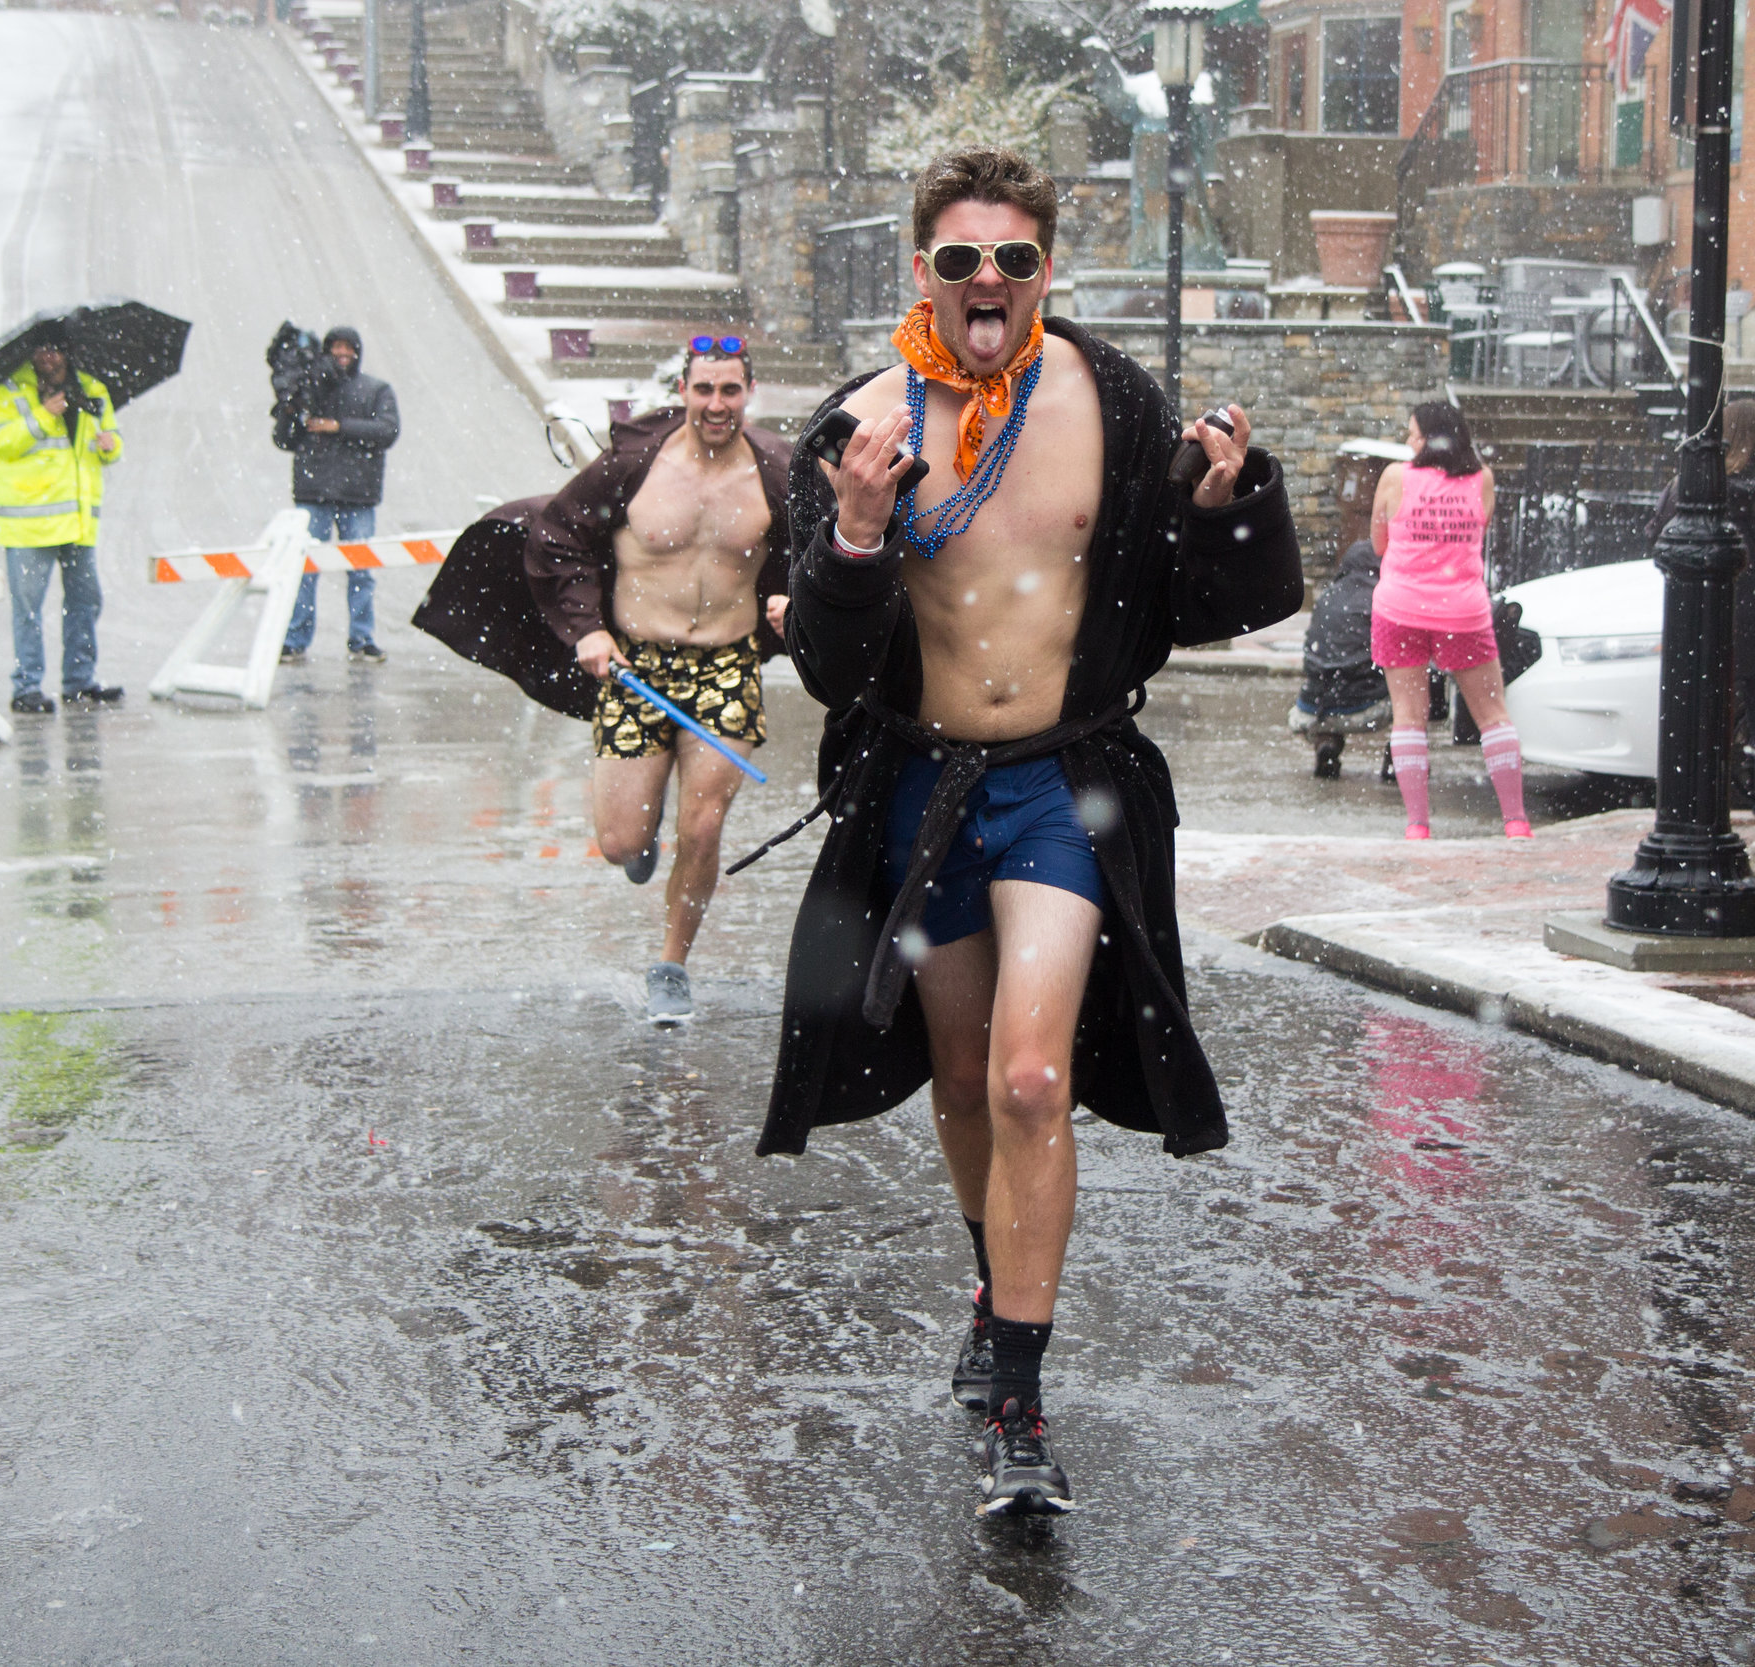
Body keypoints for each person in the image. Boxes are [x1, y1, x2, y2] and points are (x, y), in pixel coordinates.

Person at [763, 146, 1301, 1517]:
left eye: (1013, 258)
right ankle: (993, 1288)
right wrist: (860, 532)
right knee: (956, 1072)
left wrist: (1225, 505)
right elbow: (827, 659)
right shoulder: (860, 429)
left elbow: (1187, 597)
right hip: (922, 793)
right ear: (922, 271)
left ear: (1048, 267)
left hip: (1063, 786)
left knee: (1025, 1080)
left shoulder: (1115, 403)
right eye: (960, 260)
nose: (988, 280)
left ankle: (1018, 1389)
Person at [411, 338, 794, 1024]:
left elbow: (822, 544)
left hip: (725, 668)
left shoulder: (776, 473)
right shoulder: (634, 465)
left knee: (702, 827)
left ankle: (671, 965)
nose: (716, 405)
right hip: (637, 668)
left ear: (748, 393)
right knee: (619, 841)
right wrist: (586, 626)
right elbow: (557, 536)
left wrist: (793, 598)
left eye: (729, 391)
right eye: (704, 389)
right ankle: (638, 842)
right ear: (684, 390)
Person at [1648, 399, 1755, 842]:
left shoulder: (1695, 484)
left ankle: (1699, 807)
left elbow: (1661, 543)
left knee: (1703, 711)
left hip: (1710, 609)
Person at [1365, 401, 1527, 839]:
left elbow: (1379, 543)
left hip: (1400, 609)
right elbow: (1479, 531)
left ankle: (1418, 825)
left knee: (1409, 716)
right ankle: (1515, 821)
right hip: (1463, 610)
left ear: (1432, 437)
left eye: (1413, 433)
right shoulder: (1483, 478)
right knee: (1492, 714)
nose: (1408, 442)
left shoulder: (1395, 477)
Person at [0, 338, 123, 713]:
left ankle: (80, 681)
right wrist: (43, 415)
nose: (48, 356)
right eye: (41, 349)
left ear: (68, 352)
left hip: (76, 523)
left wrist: (110, 445)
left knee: (86, 602)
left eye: (56, 349)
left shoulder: (92, 389)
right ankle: (26, 687)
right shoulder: (9, 391)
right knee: (28, 609)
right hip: (30, 526)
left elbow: (112, 438)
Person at [274, 325, 399, 663]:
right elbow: (285, 440)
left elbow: (388, 431)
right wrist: (288, 408)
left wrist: (339, 426)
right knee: (305, 570)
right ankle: (295, 638)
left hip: (358, 496)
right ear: (327, 351)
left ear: (357, 352)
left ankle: (362, 638)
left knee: (361, 570)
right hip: (313, 494)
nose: (343, 355)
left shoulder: (376, 390)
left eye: (349, 348)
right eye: (336, 349)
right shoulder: (309, 388)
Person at [1290, 534, 1389, 777]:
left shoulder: (1327, 598)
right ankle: (1398, 754)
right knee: (1419, 679)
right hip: (1366, 708)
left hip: (1312, 709)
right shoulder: (1384, 597)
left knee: (1332, 673)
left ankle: (1326, 743)